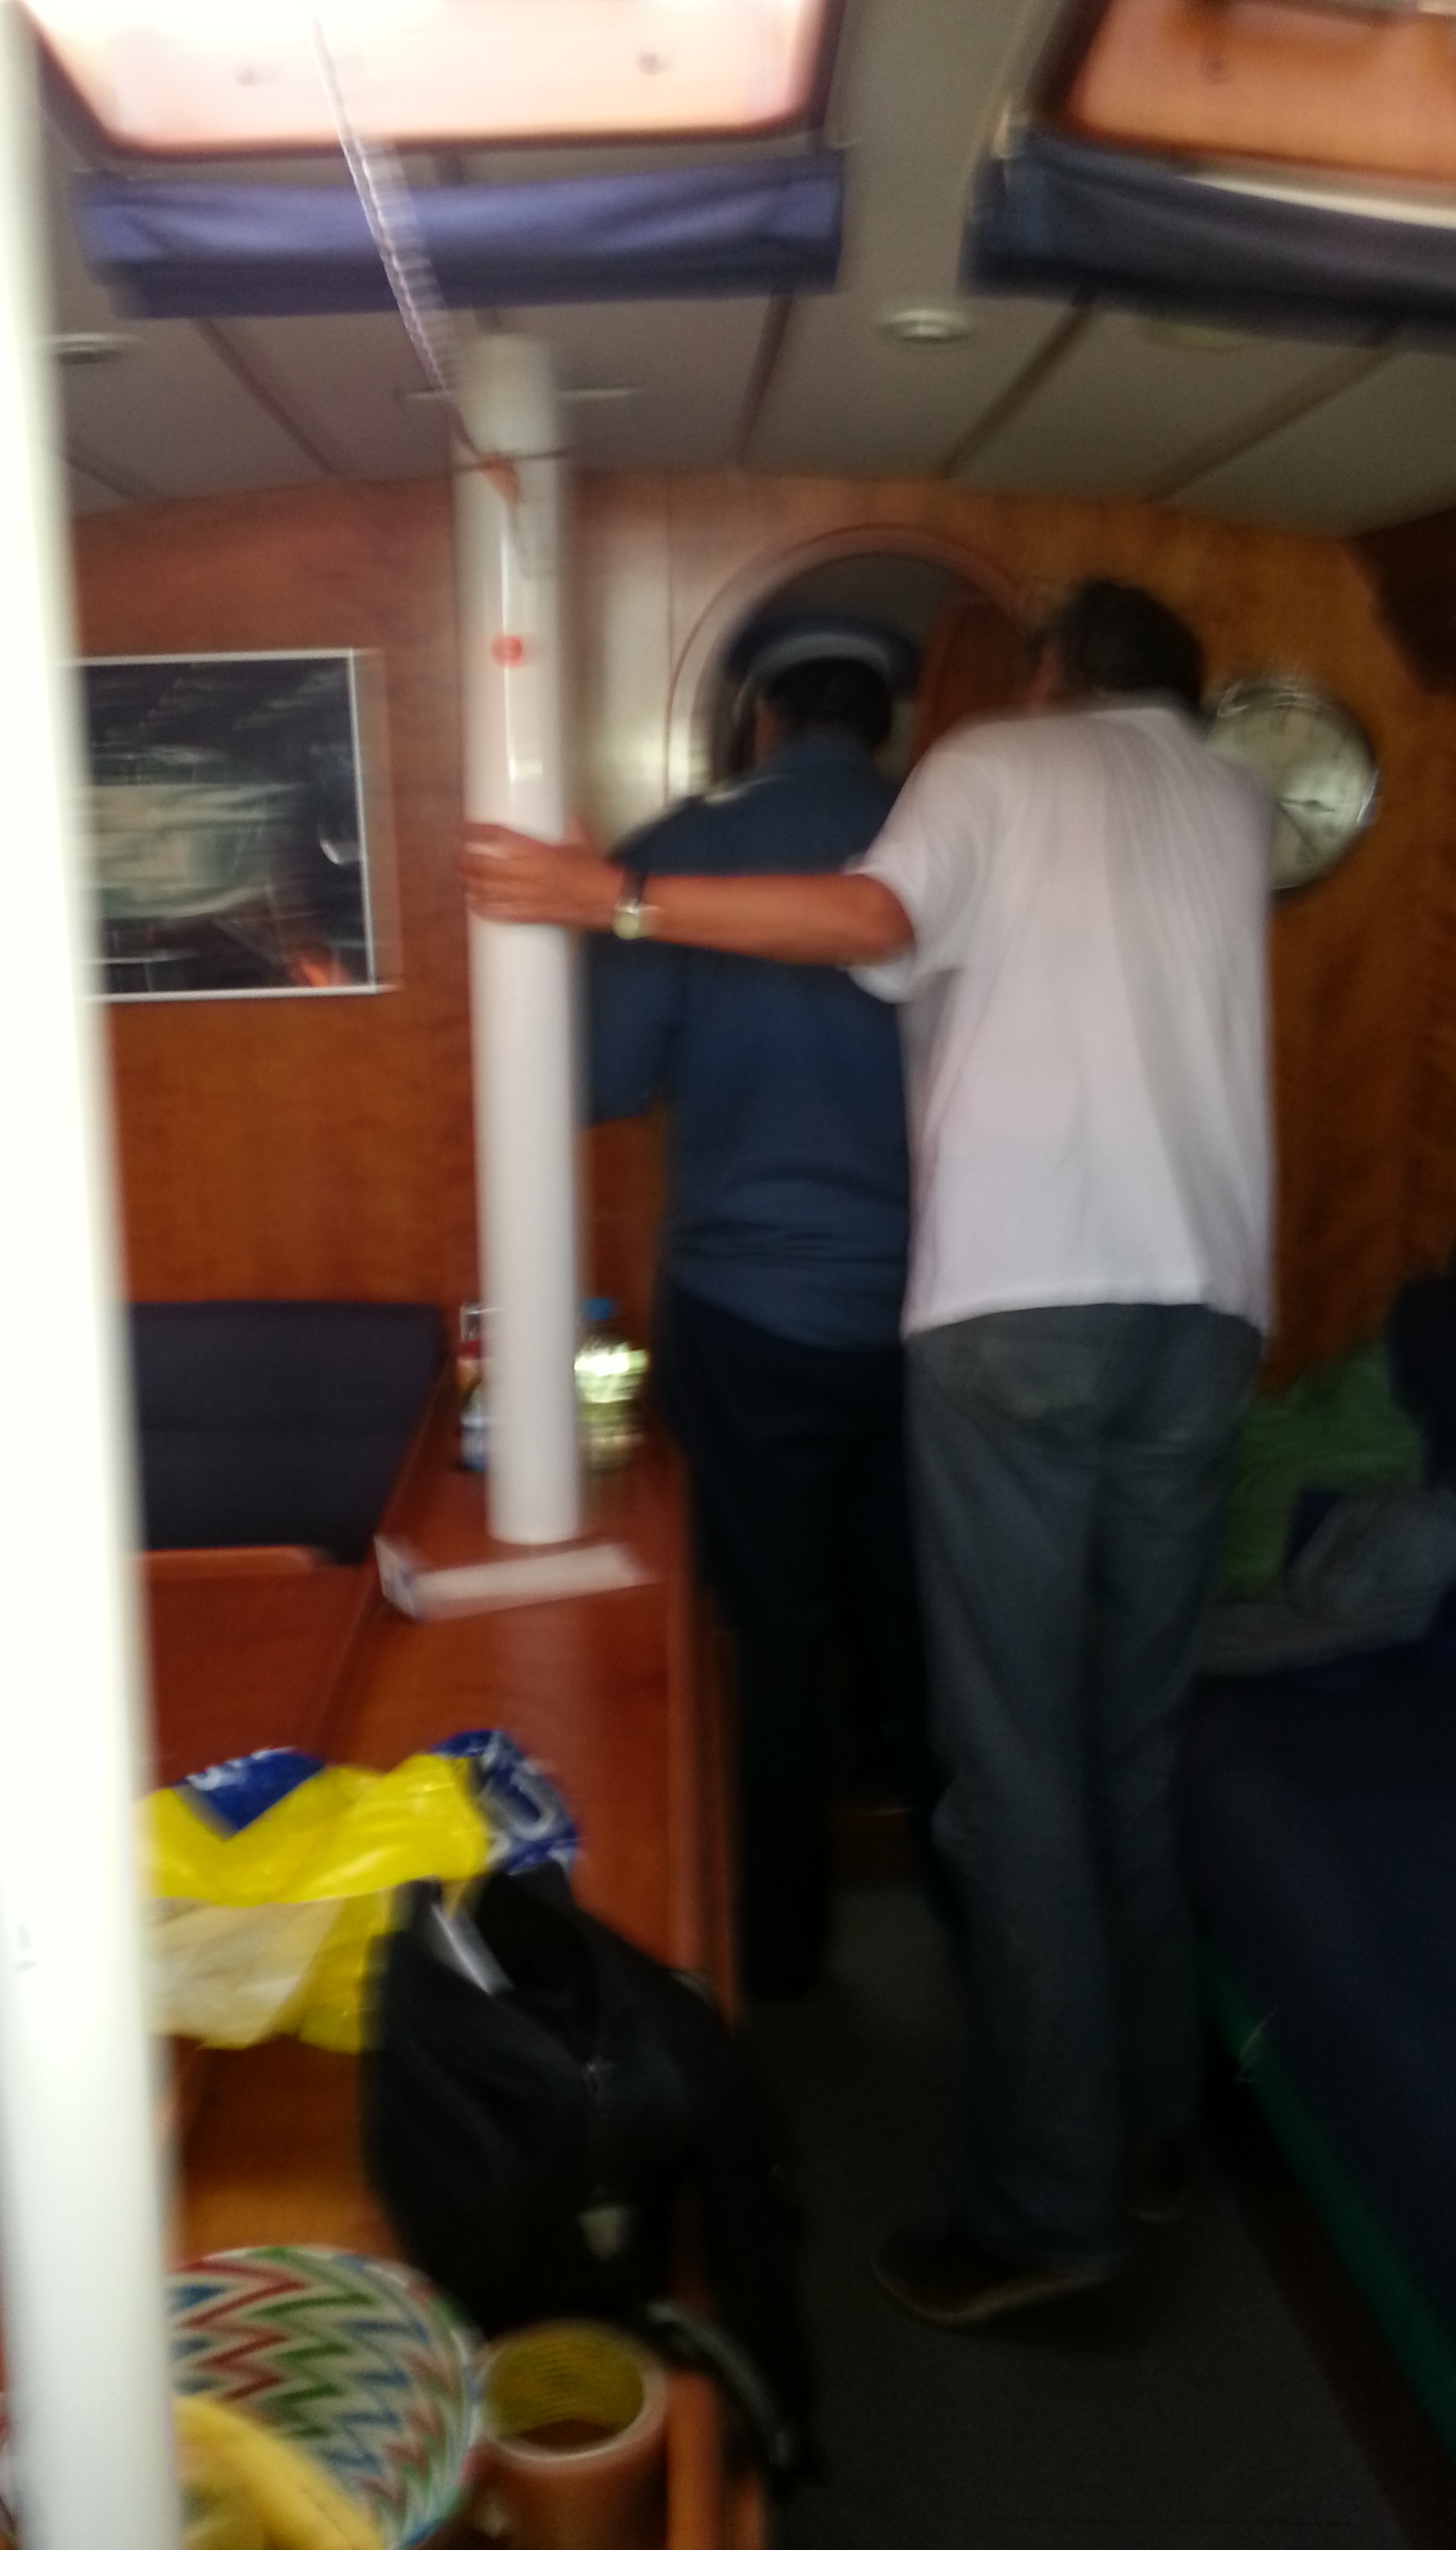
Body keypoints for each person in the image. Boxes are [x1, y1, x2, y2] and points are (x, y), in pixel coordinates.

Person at [463, 580, 1274, 2328]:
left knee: (976, 1752)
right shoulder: (1228, 803)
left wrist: (605, 896)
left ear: (1050, 680)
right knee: (1118, 1746)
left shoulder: (982, 777)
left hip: (983, 1311)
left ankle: (1038, 2198)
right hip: (1203, 1311)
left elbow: (862, 924)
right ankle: (1147, 2117)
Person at [588, 649, 933, 2000]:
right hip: (945, 1309)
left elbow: (606, 1082)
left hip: (750, 1314)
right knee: (929, 1627)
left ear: (763, 716)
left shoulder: (678, 854)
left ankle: (779, 1961)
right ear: (884, 724)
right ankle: (983, 1947)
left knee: (769, 1636)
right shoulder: (952, 841)